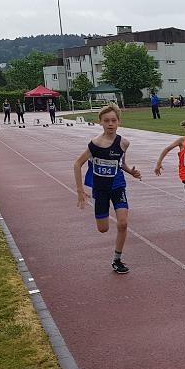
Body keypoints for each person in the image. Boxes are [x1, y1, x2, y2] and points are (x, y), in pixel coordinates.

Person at [73, 104, 142, 274]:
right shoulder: (95, 144)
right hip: (100, 189)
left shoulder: (124, 143)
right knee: (103, 229)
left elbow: (121, 163)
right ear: (101, 123)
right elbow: (77, 164)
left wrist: (131, 172)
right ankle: (103, 216)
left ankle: (117, 259)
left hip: (117, 185)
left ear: (119, 122)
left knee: (123, 223)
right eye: (106, 121)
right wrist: (80, 190)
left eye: (113, 120)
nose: (110, 124)